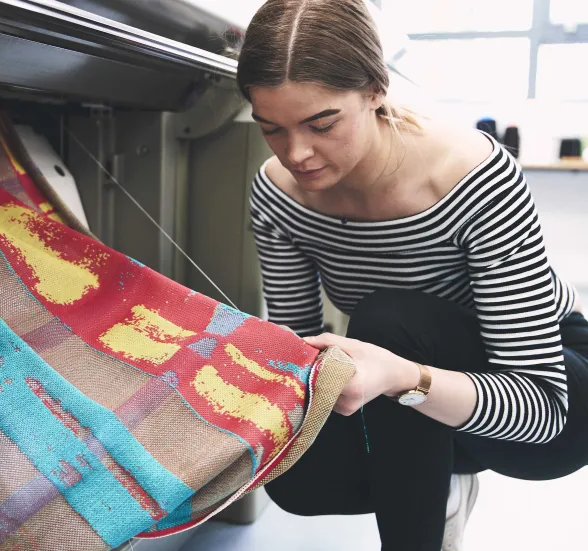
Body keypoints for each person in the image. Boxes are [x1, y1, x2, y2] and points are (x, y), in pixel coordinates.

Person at [237, 1, 588, 549]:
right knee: (295, 476)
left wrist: (403, 378)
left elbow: (540, 410)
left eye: (321, 123)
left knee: (388, 319)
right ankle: (435, 465)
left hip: (551, 397)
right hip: (414, 386)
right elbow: (296, 354)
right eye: (271, 130)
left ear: (376, 90)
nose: (297, 153)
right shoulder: (278, 193)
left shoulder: (474, 178)